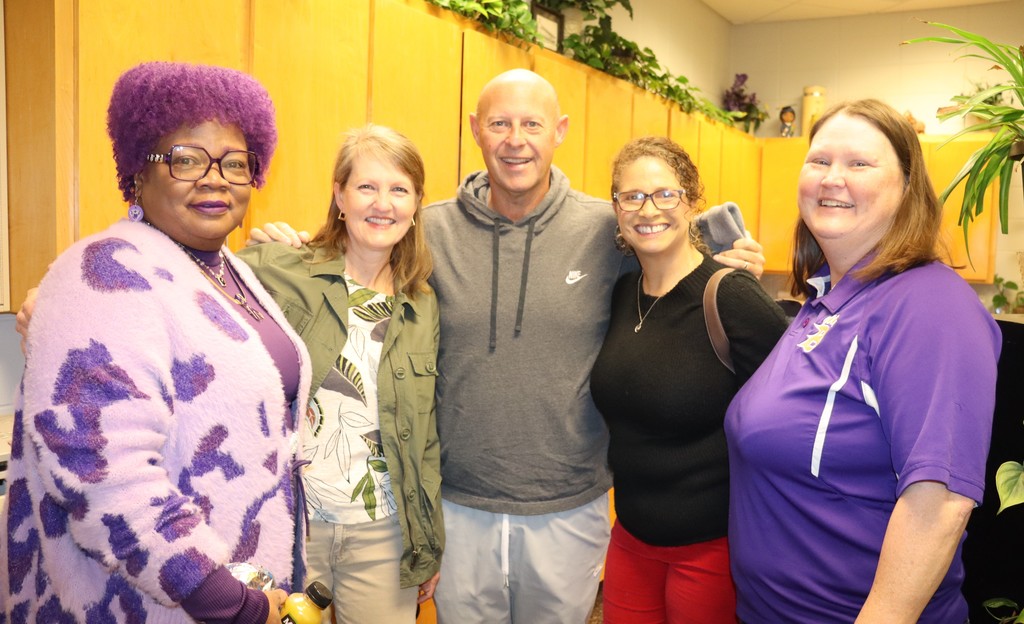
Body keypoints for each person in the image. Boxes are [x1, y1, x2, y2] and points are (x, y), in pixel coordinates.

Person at [250, 68, 767, 624]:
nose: (515, 139)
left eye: (531, 124)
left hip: (569, 505)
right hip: (455, 500)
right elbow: (358, 251)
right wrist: (292, 247)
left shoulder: (606, 227)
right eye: (499, 123)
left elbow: (670, 241)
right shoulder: (428, 230)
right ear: (476, 129)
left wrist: (730, 255)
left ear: (559, 131)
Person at [0, 62, 308, 623]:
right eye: (187, 159)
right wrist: (218, 597)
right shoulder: (103, 272)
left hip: (247, 588)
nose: (215, 178)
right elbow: (101, 472)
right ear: (137, 172)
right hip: (156, 602)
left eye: (235, 163)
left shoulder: (230, 271)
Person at [724, 99, 1001, 623]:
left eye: (860, 164)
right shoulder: (826, 301)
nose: (833, 179)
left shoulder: (929, 305)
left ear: (906, 187)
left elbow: (940, 502)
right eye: (820, 161)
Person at [236, 125, 443, 623]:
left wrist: (427, 540)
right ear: (340, 196)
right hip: (289, 526)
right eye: (367, 186)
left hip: (383, 533)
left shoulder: (421, 304)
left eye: (399, 189)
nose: (383, 203)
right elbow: (177, 278)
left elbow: (425, 437)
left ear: (416, 204)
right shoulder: (276, 267)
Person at [589, 136, 788, 623]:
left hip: (712, 548)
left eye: (665, 194)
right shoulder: (619, 294)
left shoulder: (731, 295)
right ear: (616, 209)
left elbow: (795, 415)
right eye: (632, 196)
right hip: (631, 538)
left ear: (693, 201)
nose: (647, 209)